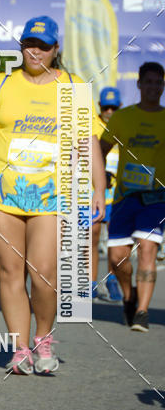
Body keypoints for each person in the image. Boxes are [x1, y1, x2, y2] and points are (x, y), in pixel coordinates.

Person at [0, 16, 105, 375]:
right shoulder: (2, 84)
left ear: (56, 50)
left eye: (43, 45)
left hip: (52, 193)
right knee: (10, 272)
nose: (35, 51)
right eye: (29, 44)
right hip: (2, 191)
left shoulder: (73, 87)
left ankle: (43, 338)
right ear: (20, 46)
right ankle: (20, 348)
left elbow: (88, 141)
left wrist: (97, 188)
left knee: (42, 273)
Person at [100, 61, 165, 332]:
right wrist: (100, 174)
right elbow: (100, 149)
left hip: (156, 198)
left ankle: (142, 312)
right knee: (117, 259)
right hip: (124, 197)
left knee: (148, 250)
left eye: (158, 82)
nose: (153, 87)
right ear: (139, 85)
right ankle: (129, 295)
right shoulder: (122, 118)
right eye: (148, 82)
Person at [92, 87, 122, 301]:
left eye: (114, 107)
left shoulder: (124, 126)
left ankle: (112, 280)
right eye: (106, 107)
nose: (109, 111)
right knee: (92, 237)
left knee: (115, 241)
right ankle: (91, 283)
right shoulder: (93, 123)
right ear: (100, 107)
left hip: (118, 194)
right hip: (94, 192)